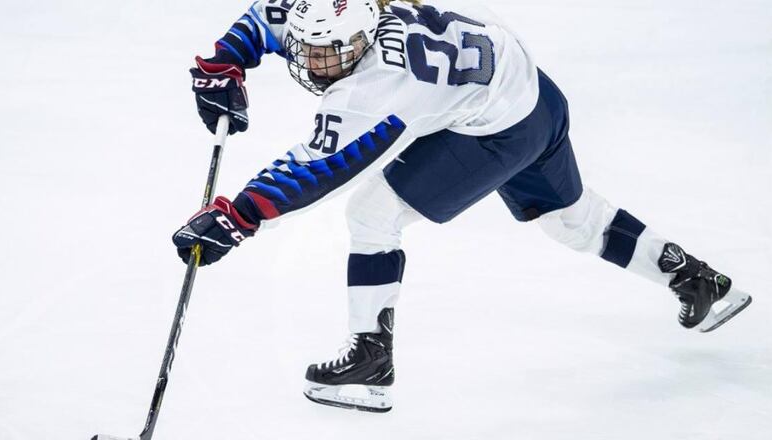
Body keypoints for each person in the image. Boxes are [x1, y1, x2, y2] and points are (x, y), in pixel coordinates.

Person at [172, 0, 752, 412]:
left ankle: (371, 361)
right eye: (309, 50)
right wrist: (227, 60)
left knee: (371, 216)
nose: (316, 62)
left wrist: (236, 216)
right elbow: (270, 16)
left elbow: (317, 168)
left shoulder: (376, 88)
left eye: (330, 52)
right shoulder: (358, 13)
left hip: (496, 127)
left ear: (362, 41)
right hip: (531, 94)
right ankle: (698, 280)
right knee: (577, 222)